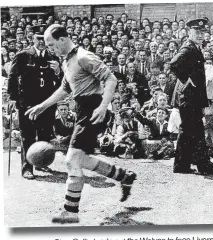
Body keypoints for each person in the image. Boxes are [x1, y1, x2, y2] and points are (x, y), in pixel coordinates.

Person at [24, 24, 137, 223]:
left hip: (93, 110)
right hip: (83, 110)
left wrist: (103, 107)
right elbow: (65, 89)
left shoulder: (84, 56)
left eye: (51, 44)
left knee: (71, 160)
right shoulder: (67, 61)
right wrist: (42, 106)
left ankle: (70, 212)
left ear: (62, 39)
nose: (50, 49)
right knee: (81, 160)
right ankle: (123, 176)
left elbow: (111, 79)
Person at [7, 27, 62, 179]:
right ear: (32, 39)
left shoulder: (53, 56)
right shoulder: (23, 55)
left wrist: (58, 71)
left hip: (46, 104)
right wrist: (12, 97)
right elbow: (12, 77)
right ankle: (27, 167)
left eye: (43, 39)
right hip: (28, 103)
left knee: (45, 134)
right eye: (38, 38)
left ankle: (41, 162)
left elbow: (61, 82)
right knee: (28, 136)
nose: (41, 42)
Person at [170, 19, 213, 175]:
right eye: (197, 32)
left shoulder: (194, 48)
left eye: (202, 33)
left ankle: (182, 166)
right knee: (196, 131)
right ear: (189, 33)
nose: (200, 35)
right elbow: (174, 65)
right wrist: (187, 80)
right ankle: (204, 166)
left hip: (192, 98)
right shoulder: (188, 48)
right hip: (189, 98)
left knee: (187, 132)